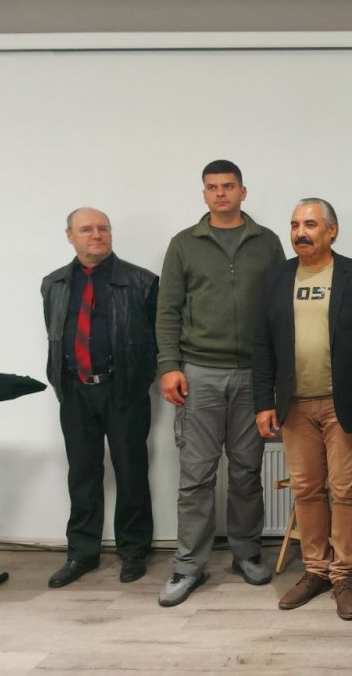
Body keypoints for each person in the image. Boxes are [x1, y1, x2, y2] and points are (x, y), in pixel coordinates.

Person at [156, 159, 285, 607]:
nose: (221, 194)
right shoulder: (184, 244)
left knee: (247, 472)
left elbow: (279, 310)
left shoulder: (267, 242)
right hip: (199, 373)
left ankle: (247, 554)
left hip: (253, 375)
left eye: (228, 186)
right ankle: (188, 564)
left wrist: (276, 374)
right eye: (212, 187)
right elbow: (167, 310)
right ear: (204, 194)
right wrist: (169, 365)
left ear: (242, 192)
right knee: (196, 476)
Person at [252, 198, 352, 621]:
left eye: (309, 224)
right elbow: (261, 345)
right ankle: (315, 570)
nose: (299, 233)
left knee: (345, 490)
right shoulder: (275, 277)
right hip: (294, 405)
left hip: (342, 403)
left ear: (331, 230)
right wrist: (262, 403)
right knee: (306, 489)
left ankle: (344, 576)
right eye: (294, 225)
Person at [41, 208, 158, 588]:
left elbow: (159, 340)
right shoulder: (54, 284)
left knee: (131, 471)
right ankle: (82, 553)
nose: (96, 235)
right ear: (69, 235)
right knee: (82, 473)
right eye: (86, 229)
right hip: (75, 391)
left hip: (123, 391)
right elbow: (55, 335)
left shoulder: (142, 282)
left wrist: (138, 380)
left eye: (103, 228)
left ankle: (134, 549)